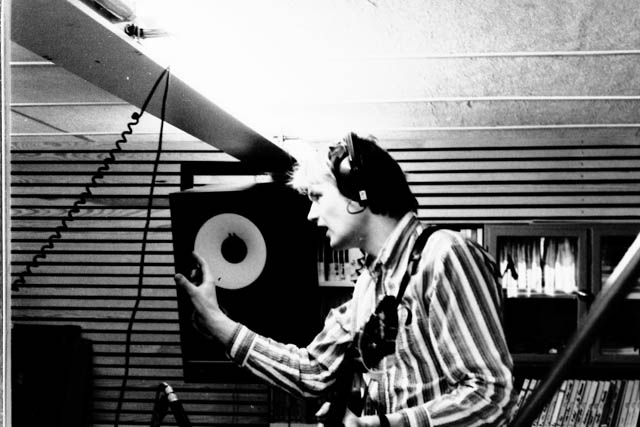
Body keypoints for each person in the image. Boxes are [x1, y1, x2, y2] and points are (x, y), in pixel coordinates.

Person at [175, 132, 517, 426]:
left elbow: (490, 396)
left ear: (358, 192)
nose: (311, 215)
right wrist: (218, 323)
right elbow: (314, 370)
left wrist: (383, 425)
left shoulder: (444, 255)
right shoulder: (369, 285)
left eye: (318, 197)